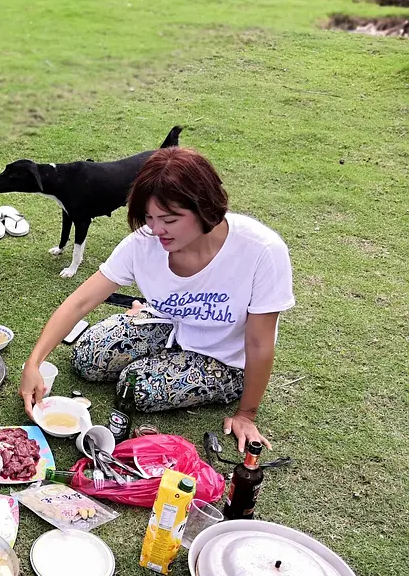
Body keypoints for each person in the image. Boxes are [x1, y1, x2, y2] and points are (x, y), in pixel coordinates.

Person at [19, 147, 294, 451]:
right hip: (171, 324)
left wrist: (246, 413)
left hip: (224, 358)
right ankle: (149, 330)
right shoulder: (144, 242)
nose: (156, 229)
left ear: (205, 207)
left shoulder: (262, 251)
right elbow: (80, 302)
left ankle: (188, 370)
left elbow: (258, 343)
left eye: (170, 219)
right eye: (149, 216)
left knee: (135, 387)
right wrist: (34, 363)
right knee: (88, 358)